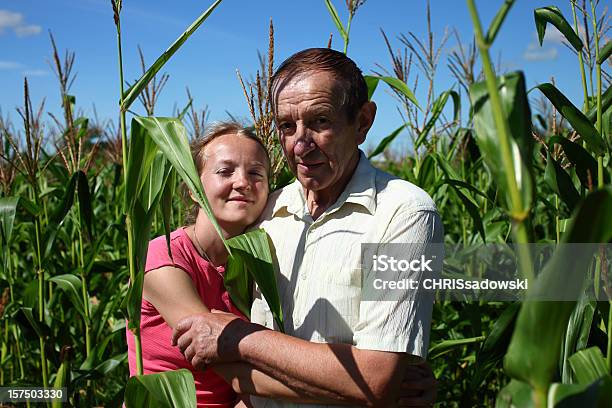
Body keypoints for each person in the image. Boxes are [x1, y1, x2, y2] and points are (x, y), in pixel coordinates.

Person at [172, 48, 443, 407]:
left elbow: (376, 378)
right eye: (287, 126)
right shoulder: (264, 207)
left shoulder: (404, 214)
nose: (299, 145)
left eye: (319, 122)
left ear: (362, 121)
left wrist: (239, 337)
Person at [126, 123, 271, 407]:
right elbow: (226, 359)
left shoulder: (258, 265)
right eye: (225, 171)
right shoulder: (163, 258)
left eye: (255, 173)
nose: (242, 182)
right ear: (194, 188)